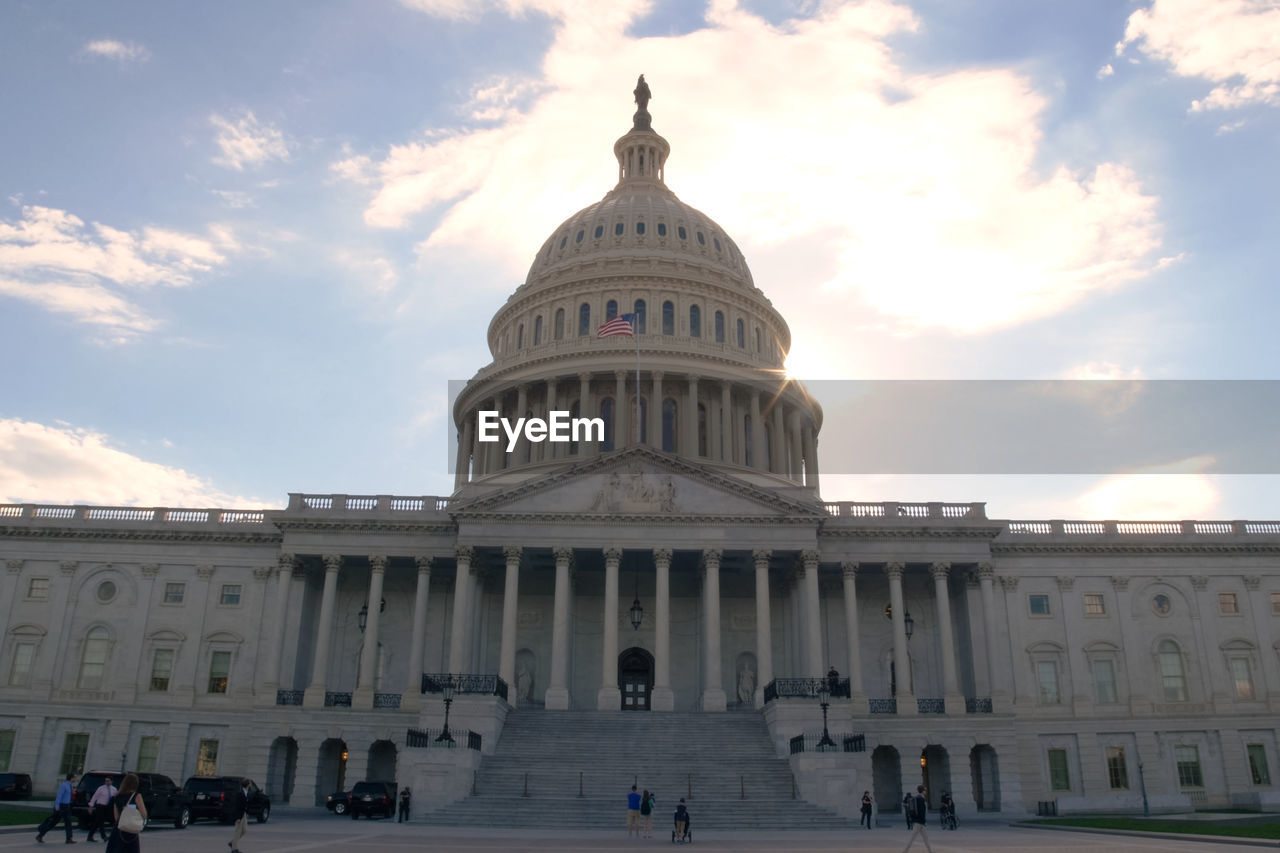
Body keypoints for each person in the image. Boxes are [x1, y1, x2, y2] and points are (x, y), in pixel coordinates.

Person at [106, 773, 146, 853]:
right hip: (131, 827)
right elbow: (144, 813)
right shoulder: (136, 796)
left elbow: (116, 817)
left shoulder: (117, 796)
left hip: (119, 828)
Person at [36, 771, 76, 844]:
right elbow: (59, 796)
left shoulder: (70, 785)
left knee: (68, 822)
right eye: (74, 778)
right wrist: (57, 806)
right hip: (61, 806)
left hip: (67, 806)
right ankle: (40, 834)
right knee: (53, 822)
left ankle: (69, 838)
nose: (75, 779)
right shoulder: (63, 785)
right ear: (71, 778)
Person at [900, 785, 934, 853]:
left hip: (917, 821)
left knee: (925, 838)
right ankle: (905, 851)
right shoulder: (921, 799)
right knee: (912, 838)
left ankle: (930, 851)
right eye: (925, 790)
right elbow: (922, 812)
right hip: (919, 822)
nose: (925, 791)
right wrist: (924, 821)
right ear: (923, 791)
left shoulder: (916, 798)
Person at [86, 776, 118, 841]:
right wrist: (91, 806)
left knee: (97, 822)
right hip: (100, 806)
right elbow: (94, 797)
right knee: (101, 821)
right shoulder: (101, 788)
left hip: (107, 807)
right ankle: (103, 836)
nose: (107, 782)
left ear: (112, 781)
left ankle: (90, 836)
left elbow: (116, 798)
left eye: (108, 781)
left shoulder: (114, 789)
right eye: (106, 781)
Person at [228, 778, 251, 853]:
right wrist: (237, 818)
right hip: (239, 815)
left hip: (243, 814)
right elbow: (237, 806)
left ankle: (232, 842)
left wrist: (246, 813)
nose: (250, 785)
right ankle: (234, 849)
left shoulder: (246, 792)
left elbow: (246, 805)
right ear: (247, 785)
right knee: (238, 831)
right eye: (249, 783)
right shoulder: (240, 793)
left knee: (244, 831)